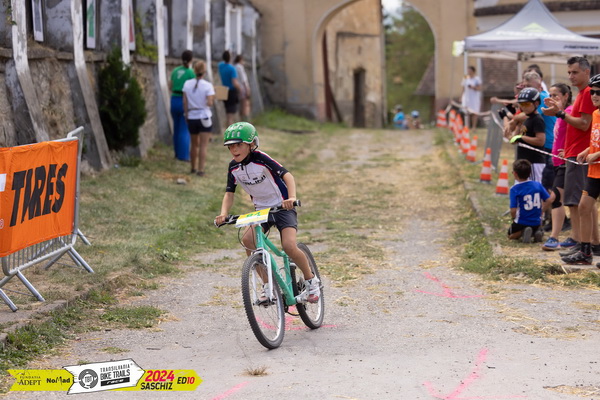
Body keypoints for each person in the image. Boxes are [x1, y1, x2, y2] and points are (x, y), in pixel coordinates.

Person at [214, 122, 321, 303]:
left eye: (238, 144)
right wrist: (223, 213)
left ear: (251, 144)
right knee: (248, 241)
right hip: (261, 211)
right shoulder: (233, 167)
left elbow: (288, 176)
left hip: (282, 207)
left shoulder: (261, 159)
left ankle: (311, 281)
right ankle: (267, 286)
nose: (234, 149)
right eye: (230, 146)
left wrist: (291, 198)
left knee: (288, 245)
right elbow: (229, 193)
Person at [543, 56, 597, 255]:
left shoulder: (588, 93)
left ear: (586, 72)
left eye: (575, 72)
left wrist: (560, 113)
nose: (571, 76)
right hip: (577, 153)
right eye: (569, 72)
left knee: (576, 202)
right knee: (584, 202)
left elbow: (584, 124)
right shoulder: (584, 93)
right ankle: (590, 242)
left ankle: (580, 241)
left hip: (580, 156)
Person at [560, 74, 600, 265]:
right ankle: (585, 252)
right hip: (594, 171)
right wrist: (587, 151)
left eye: (598, 92)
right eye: (592, 92)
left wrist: (597, 154)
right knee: (584, 206)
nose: (594, 96)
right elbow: (596, 140)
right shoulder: (596, 114)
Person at [542, 83, 572, 251]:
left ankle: (554, 237)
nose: (552, 99)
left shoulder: (568, 112)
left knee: (556, 198)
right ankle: (576, 237)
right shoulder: (559, 114)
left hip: (566, 162)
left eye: (555, 95)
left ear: (566, 96)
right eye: (550, 95)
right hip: (556, 161)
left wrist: (569, 151)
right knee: (564, 200)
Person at [182, 60, 215, 177]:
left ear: (194, 70)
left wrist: (186, 115)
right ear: (204, 71)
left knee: (194, 144)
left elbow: (185, 102)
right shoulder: (208, 86)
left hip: (192, 116)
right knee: (203, 145)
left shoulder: (187, 84)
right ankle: (201, 170)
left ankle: (193, 167)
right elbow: (209, 103)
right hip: (204, 117)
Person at [508, 159, 551, 243]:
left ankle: (523, 232)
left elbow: (513, 210)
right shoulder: (537, 185)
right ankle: (536, 232)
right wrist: (541, 211)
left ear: (515, 174)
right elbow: (548, 200)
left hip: (521, 221)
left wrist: (513, 218)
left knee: (510, 235)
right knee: (534, 226)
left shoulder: (514, 189)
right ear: (530, 173)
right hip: (536, 221)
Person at [508, 88, 546, 182]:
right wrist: (517, 127)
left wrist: (522, 137)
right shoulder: (526, 118)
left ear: (536, 103)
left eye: (527, 104)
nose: (524, 107)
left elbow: (540, 141)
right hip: (523, 162)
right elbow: (514, 139)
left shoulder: (537, 119)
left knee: (532, 189)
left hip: (534, 163)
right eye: (521, 104)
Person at [169, 50, 195, 162]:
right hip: (184, 100)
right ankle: (183, 155)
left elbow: (170, 86)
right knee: (184, 129)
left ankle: (176, 153)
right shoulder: (190, 72)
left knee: (176, 128)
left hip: (174, 99)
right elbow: (193, 88)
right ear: (191, 60)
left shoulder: (175, 70)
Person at [218, 51, 242, 126]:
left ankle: (228, 126)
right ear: (230, 58)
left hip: (223, 90)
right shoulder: (232, 69)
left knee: (227, 111)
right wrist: (240, 89)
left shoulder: (220, 66)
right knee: (231, 114)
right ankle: (230, 129)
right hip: (231, 92)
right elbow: (234, 82)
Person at [233, 55, 251, 120]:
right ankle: (245, 119)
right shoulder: (240, 67)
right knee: (245, 104)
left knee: (241, 105)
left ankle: (241, 118)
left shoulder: (234, 67)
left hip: (237, 87)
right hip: (243, 88)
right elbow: (244, 80)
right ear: (240, 60)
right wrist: (247, 89)